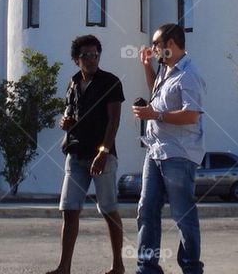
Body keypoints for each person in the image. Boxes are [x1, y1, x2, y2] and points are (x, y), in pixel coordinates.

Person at [46, 35, 126, 274]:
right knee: (69, 210)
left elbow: (114, 121)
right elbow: (69, 112)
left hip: (101, 156)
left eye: (95, 55)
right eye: (85, 56)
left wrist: (103, 153)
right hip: (76, 152)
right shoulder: (72, 83)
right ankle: (64, 267)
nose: (91, 60)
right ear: (75, 59)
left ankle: (118, 265)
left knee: (109, 209)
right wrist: (65, 121)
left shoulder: (110, 82)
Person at [131, 23, 206, 274]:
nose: (153, 48)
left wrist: (156, 114)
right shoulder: (166, 69)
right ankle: (147, 267)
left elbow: (191, 115)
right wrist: (146, 67)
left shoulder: (189, 73)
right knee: (146, 208)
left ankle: (191, 267)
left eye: (156, 44)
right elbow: (156, 95)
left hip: (179, 154)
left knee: (183, 215)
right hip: (155, 150)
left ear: (171, 44)